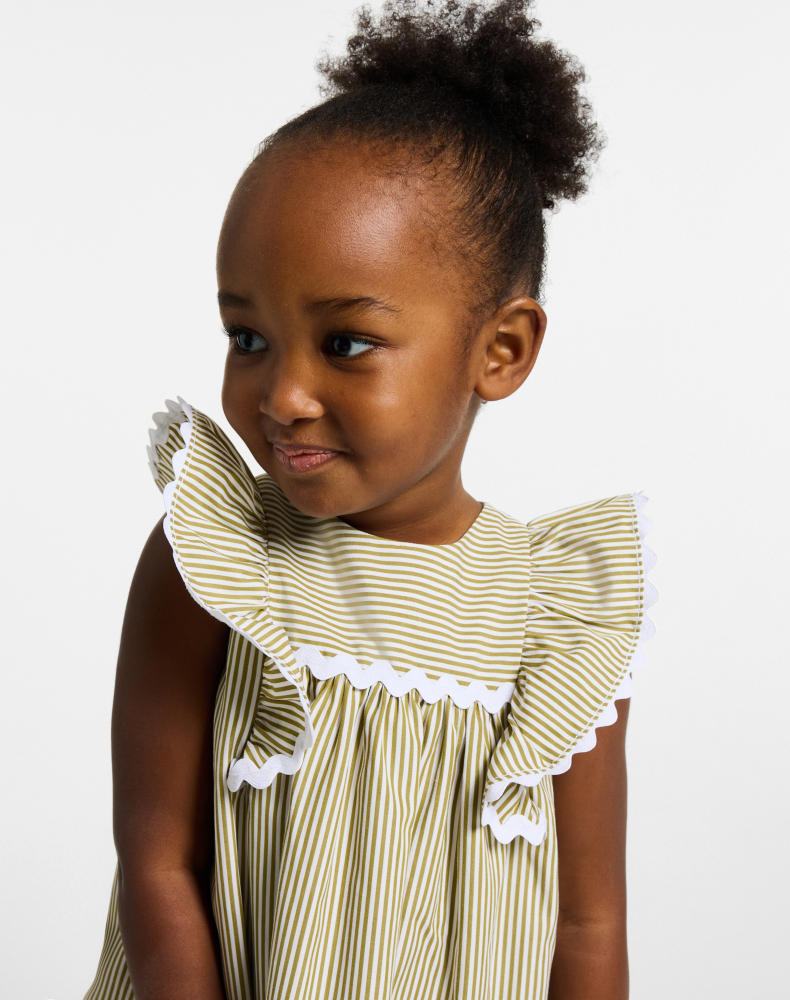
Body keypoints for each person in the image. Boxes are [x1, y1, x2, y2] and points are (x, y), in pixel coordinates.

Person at [83, 2, 655, 998]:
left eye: (344, 343)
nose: (282, 396)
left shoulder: (558, 619)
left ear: (500, 350)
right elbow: (157, 860)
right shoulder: (219, 557)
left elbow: (587, 921)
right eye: (248, 337)